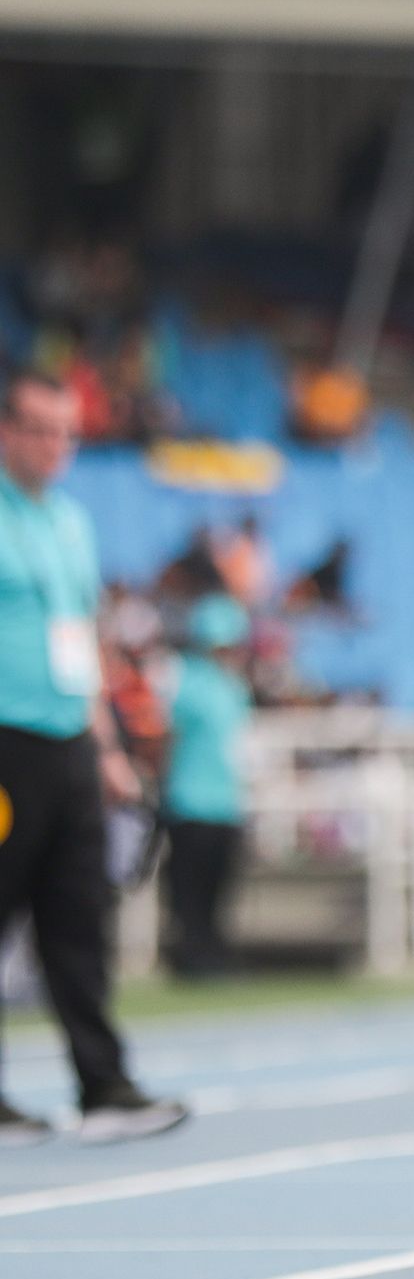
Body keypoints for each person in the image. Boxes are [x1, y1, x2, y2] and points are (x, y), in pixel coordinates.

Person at [0, 371, 187, 1146]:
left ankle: (103, 1085)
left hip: (69, 743)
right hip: (3, 742)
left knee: (78, 918)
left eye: (67, 432)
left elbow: (82, 640)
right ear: (5, 429)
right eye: (39, 428)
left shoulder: (71, 522)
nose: (55, 446)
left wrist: (106, 745)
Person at [160, 593, 253, 981]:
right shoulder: (184, 680)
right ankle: (189, 956)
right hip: (190, 799)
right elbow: (165, 737)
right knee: (188, 890)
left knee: (219, 887)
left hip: (226, 801)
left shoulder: (234, 688)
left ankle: (213, 954)